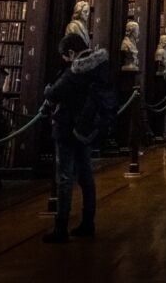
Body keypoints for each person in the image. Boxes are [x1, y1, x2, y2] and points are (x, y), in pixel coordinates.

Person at [42, 33, 116, 243]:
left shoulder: (77, 70)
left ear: (72, 53)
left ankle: (61, 226)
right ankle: (87, 222)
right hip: (86, 129)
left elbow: (54, 93)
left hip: (67, 127)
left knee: (64, 177)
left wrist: (48, 90)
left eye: (65, 57)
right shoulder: (100, 67)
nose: (65, 61)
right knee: (86, 175)